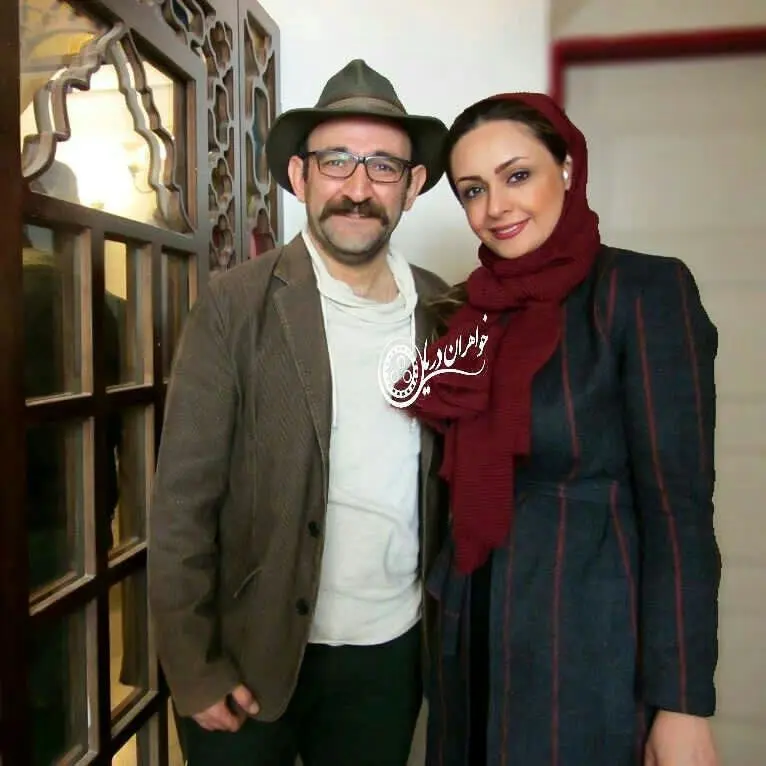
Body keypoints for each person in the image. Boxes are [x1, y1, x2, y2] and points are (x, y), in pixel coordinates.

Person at [396, 93, 721, 765]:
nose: (496, 207)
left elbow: (680, 513)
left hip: (587, 646)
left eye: (517, 175)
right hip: (470, 632)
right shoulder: (470, 311)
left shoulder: (641, 291)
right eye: (473, 191)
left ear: (567, 168)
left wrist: (683, 702)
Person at [148, 59, 450, 766]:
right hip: (247, 654)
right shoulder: (235, 304)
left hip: (390, 656)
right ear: (299, 175)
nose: (357, 188)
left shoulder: (445, 311)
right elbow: (182, 501)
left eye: (382, 167)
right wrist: (192, 666)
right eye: (336, 161)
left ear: (412, 186)